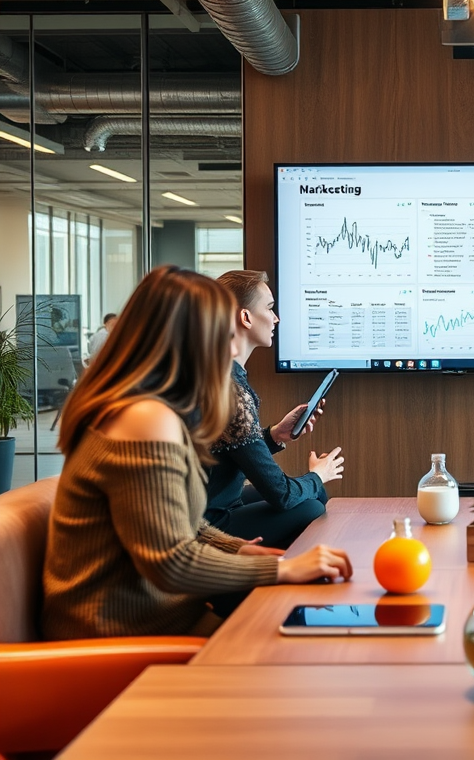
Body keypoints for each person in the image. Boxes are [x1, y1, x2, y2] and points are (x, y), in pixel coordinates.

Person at [43, 266, 352, 641]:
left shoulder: (151, 410)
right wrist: (281, 569)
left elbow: (180, 523)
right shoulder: (145, 421)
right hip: (120, 630)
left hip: (152, 612)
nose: (235, 344)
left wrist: (236, 549)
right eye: (222, 330)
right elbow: (171, 563)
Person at [204, 270, 343, 550]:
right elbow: (281, 494)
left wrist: (276, 435)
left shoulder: (221, 373)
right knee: (309, 506)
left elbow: (229, 452)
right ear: (245, 318)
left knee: (311, 497)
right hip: (209, 523)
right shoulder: (231, 389)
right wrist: (318, 474)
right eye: (269, 308)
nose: (276, 318)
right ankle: (261, 584)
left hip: (217, 501)